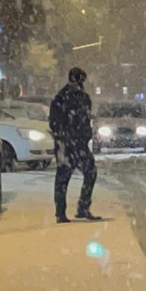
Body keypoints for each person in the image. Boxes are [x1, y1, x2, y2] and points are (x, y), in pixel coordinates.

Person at [49, 67, 101, 223]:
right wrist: (64, 135)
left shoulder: (78, 97)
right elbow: (55, 121)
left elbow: (83, 119)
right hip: (68, 144)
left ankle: (76, 209)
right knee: (65, 176)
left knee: (85, 173)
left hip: (76, 143)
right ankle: (65, 211)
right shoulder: (64, 98)